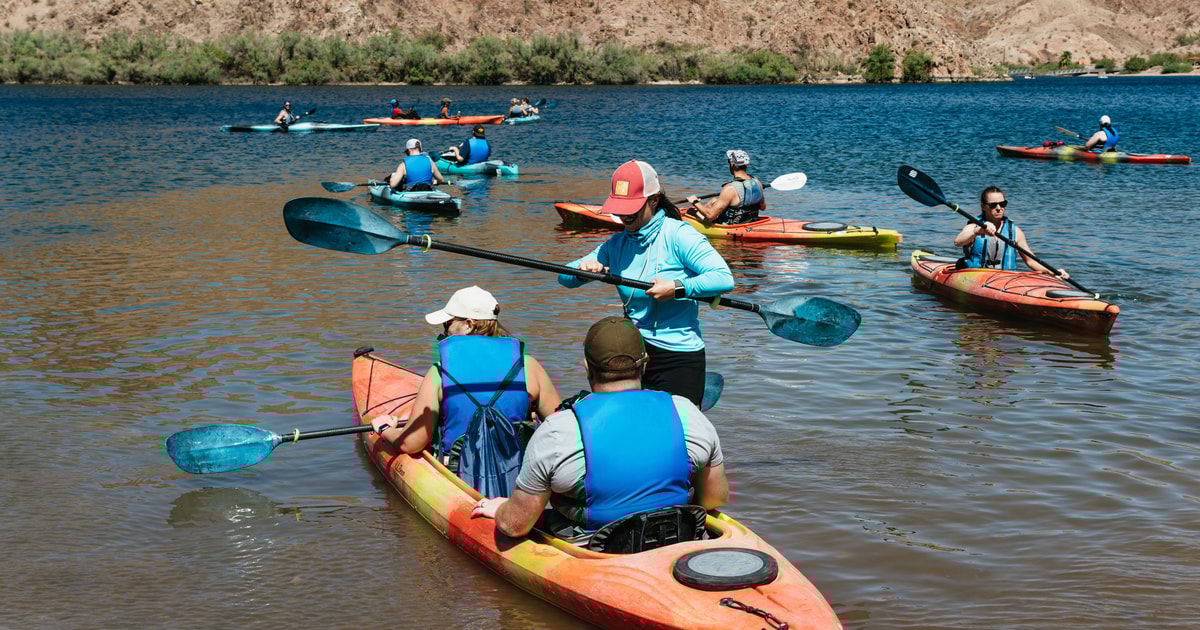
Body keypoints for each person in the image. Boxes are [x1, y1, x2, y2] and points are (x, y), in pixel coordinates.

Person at [471, 315, 728, 544]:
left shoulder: (558, 430)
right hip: (675, 537)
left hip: (595, 549)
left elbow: (516, 526)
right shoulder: (687, 413)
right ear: (645, 363)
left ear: (586, 367)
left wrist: (501, 509)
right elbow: (714, 499)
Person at [557, 160, 734, 408]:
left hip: (678, 355)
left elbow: (723, 277)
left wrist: (677, 288)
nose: (624, 214)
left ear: (653, 200)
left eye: (632, 207)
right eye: (620, 207)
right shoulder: (616, 244)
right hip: (633, 356)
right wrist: (583, 271)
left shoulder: (678, 235)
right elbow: (563, 277)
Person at [370, 286, 561, 487]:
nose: (444, 331)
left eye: (447, 323)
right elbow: (559, 429)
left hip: (461, 478)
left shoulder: (439, 372)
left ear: (469, 324)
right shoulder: (528, 365)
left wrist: (386, 429)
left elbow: (411, 443)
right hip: (518, 475)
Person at [953, 186, 1069, 279]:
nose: (999, 208)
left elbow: (1030, 260)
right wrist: (978, 231)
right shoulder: (973, 226)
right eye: (993, 205)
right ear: (983, 206)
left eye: (1002, 204)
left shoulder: (1015, 231)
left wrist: (1052, 271)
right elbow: (958, 242)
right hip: (975, 277)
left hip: (1005, 279)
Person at [686, 149, 765, 226]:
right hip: (750, 221)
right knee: (714, 200)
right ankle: (701, 210)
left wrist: (695, 202)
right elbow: (762, 207)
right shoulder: (757, 182)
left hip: (732, 226)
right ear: (746, 165)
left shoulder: (729, 188)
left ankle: (695, 212)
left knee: (690, 211)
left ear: (731, 164)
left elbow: (710, 216)